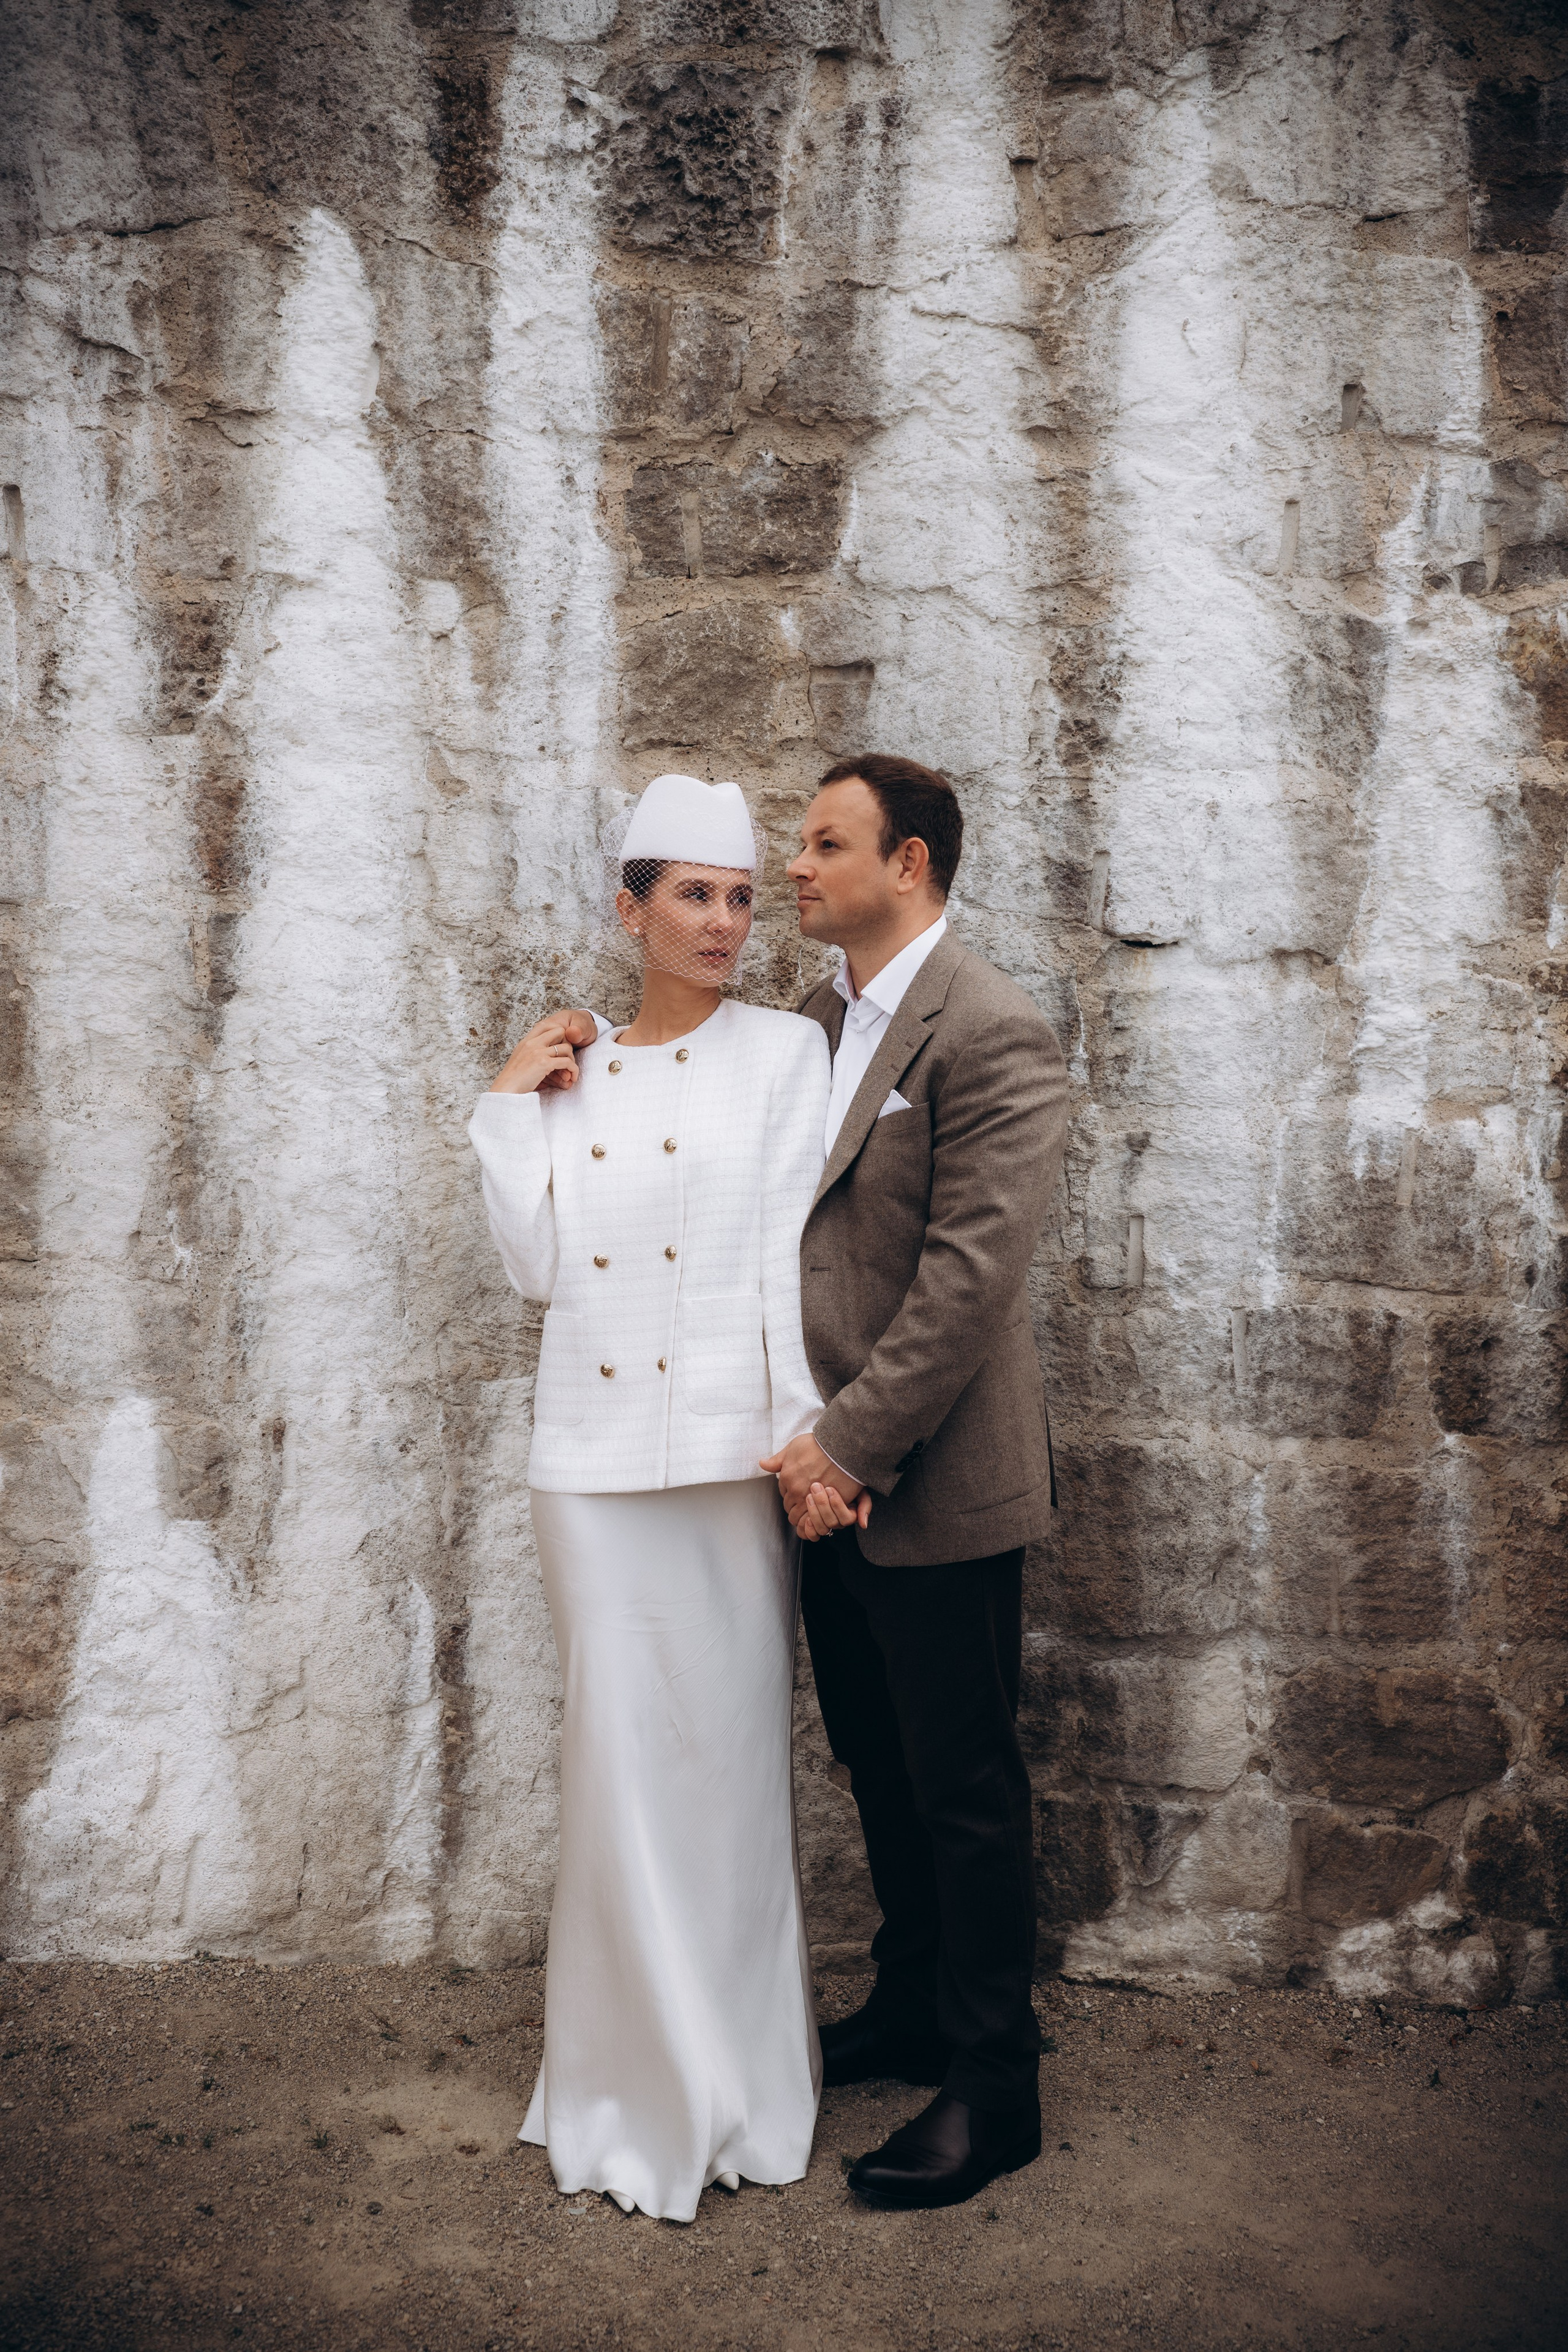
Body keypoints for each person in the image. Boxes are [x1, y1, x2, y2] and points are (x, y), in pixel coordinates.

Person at [467, 772, 830, 2224]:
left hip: (729, 1463)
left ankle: (735, 2085)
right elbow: (538, 1268)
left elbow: (785, 1262)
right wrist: (507, 1096)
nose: (726, 922)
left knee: (727, 1776)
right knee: (617, 1779)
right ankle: (620, 2091)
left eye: (741, 896)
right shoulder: (576, 1071)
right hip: (595, 1471)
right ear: (630, 908)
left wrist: (803, 1437)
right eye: (693, 893)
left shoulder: (785, 1057)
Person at [760, 753, 1069, 2212]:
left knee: (961, 1785)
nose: (795, 868)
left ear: (914, 864)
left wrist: (843, 1449)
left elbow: (965, 1283)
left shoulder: (990, 1029)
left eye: (825, 844)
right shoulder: (820, 1022)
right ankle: (907, 2003)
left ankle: (992, 2084)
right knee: (873, 1764)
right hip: (827, 1492)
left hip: (924, 1484)